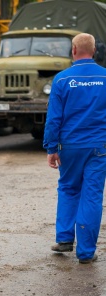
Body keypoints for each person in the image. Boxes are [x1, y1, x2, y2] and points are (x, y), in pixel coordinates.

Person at [43, 32, 106, 264]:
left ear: (73, 50)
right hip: (99, 147)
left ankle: (64, 239)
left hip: (69, 146)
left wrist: (51, 147)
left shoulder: (61, 80)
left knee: (69, 189)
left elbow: (53, 119)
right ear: (94, 51)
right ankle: (86, 253)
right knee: (91, 196)